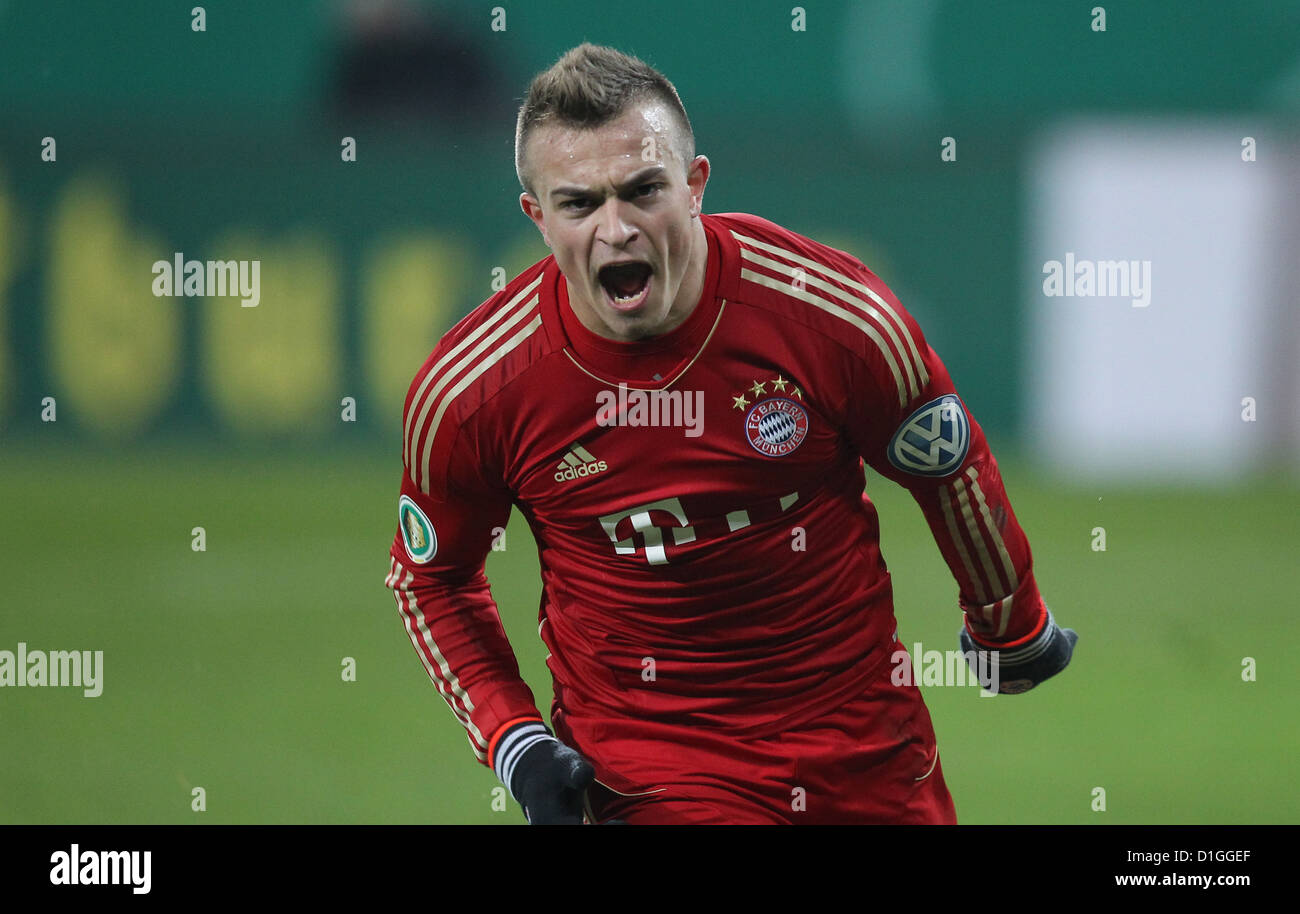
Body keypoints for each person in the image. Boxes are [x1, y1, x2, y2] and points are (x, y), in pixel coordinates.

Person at [383, 43, 1077, 825]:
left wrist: (1008, 622)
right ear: (537, 217)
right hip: (652, 773)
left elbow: (946, 462)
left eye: (644, 190)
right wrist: (516, 742)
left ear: (695, 186)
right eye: (579, 204)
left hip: (866, 756)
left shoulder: (830, 314)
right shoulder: (475, 389)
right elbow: (431, 577)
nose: (616, 230)